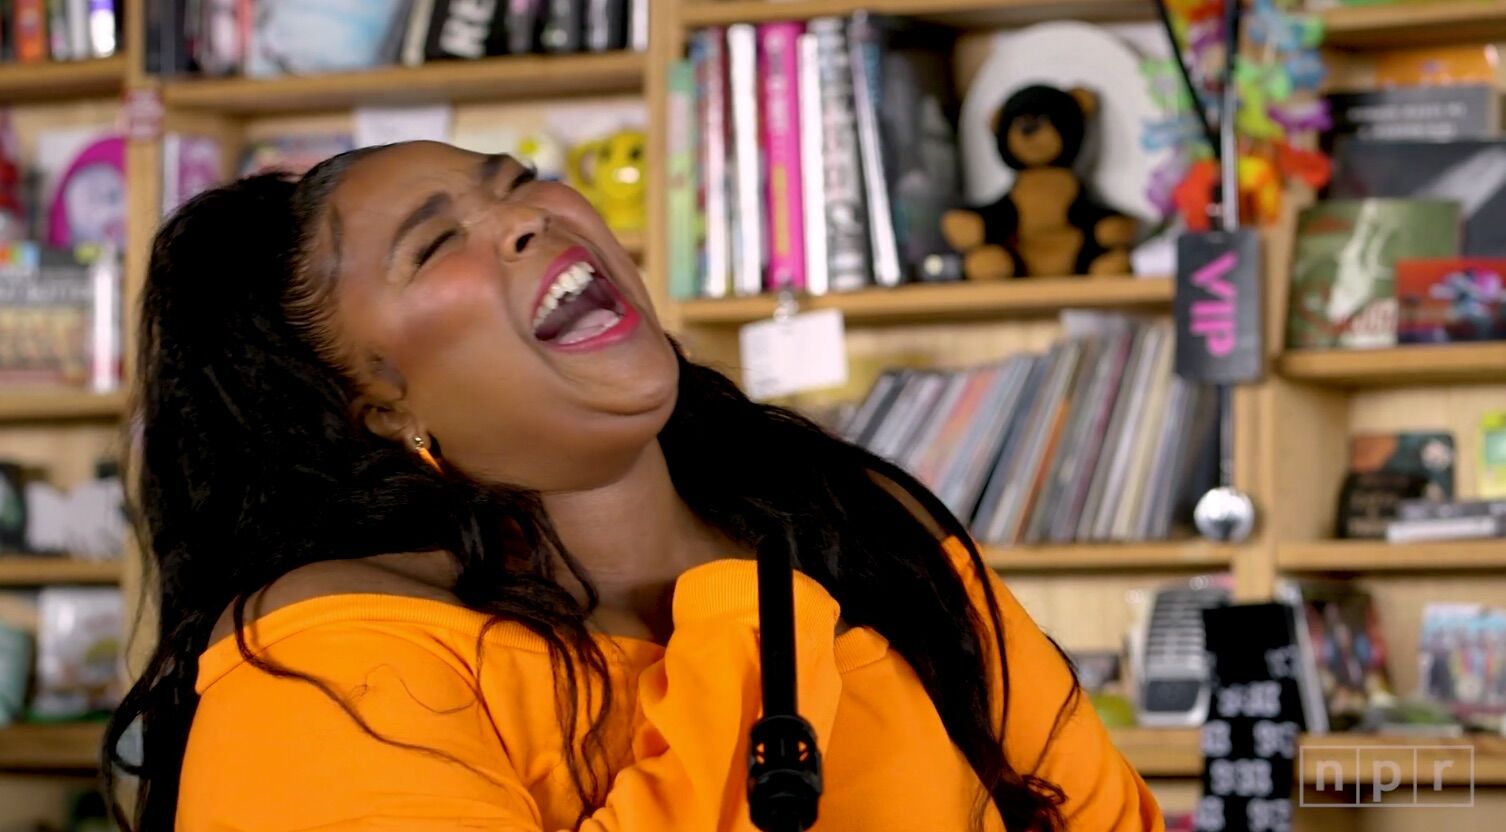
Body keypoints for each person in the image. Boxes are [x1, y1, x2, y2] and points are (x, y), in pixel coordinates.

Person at [108, 141, 1163, 832]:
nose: (527, 218)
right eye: (436, 244)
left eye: (516, 182)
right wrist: (743, 634)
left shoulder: (871, 539)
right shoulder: (326, 657)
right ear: (375, 411)